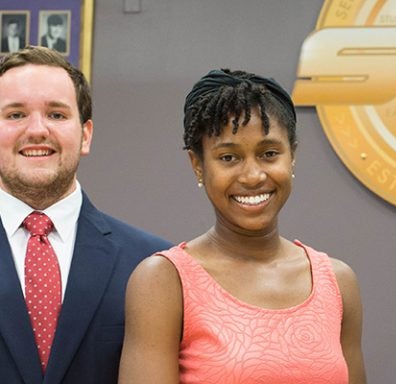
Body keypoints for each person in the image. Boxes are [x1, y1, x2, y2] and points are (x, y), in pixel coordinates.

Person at [118, 69, 366, 384]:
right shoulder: (164, 282)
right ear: (198, 165)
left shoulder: (338, 283)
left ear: (292, 156)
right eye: (229, 158)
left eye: (269, 154)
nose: (252, 175)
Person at [0, 46, 170, 383]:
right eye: (15, 115)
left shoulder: (152, 264)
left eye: (57, 115)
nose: (37, 130)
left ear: (86, 135)